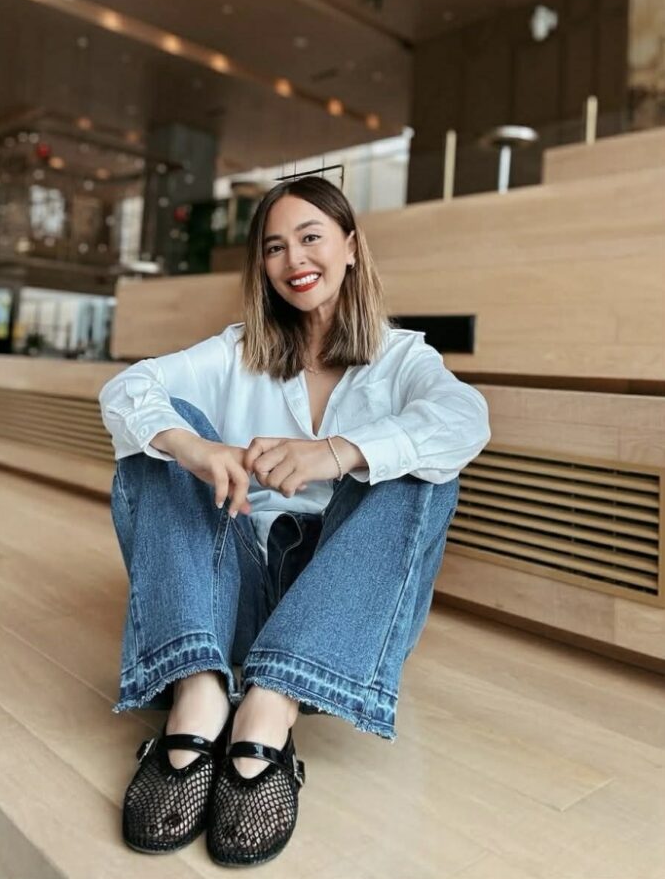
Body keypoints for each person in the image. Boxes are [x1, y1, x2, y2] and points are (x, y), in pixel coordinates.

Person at [99, 175, 491, 867]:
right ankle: (198, 694)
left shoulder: (403, 360)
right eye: (275, 247)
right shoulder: (236, 351)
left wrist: (339, 452)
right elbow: (128, 387)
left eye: (311, 237)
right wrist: (194, 449)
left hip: (341, 614)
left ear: (350, 246)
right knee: (157, 433)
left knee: (423, 461)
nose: (294, 259)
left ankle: (270, 707)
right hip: (232, 596)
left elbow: (466, 420)